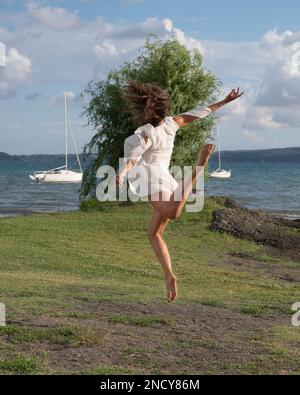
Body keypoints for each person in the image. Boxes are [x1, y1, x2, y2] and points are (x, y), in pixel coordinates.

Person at [116, 81, 243, 302]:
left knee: (173, 213)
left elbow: (134, 156)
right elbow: (198, 113)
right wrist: (224, 101)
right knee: (154, 234)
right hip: (166, 179)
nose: (145, 110)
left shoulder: (146, 133)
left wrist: (123, 172)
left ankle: (197, 169)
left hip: (151, 178)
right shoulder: (172, 123)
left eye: (147, 108)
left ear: (154, 112)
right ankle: (168, 276)